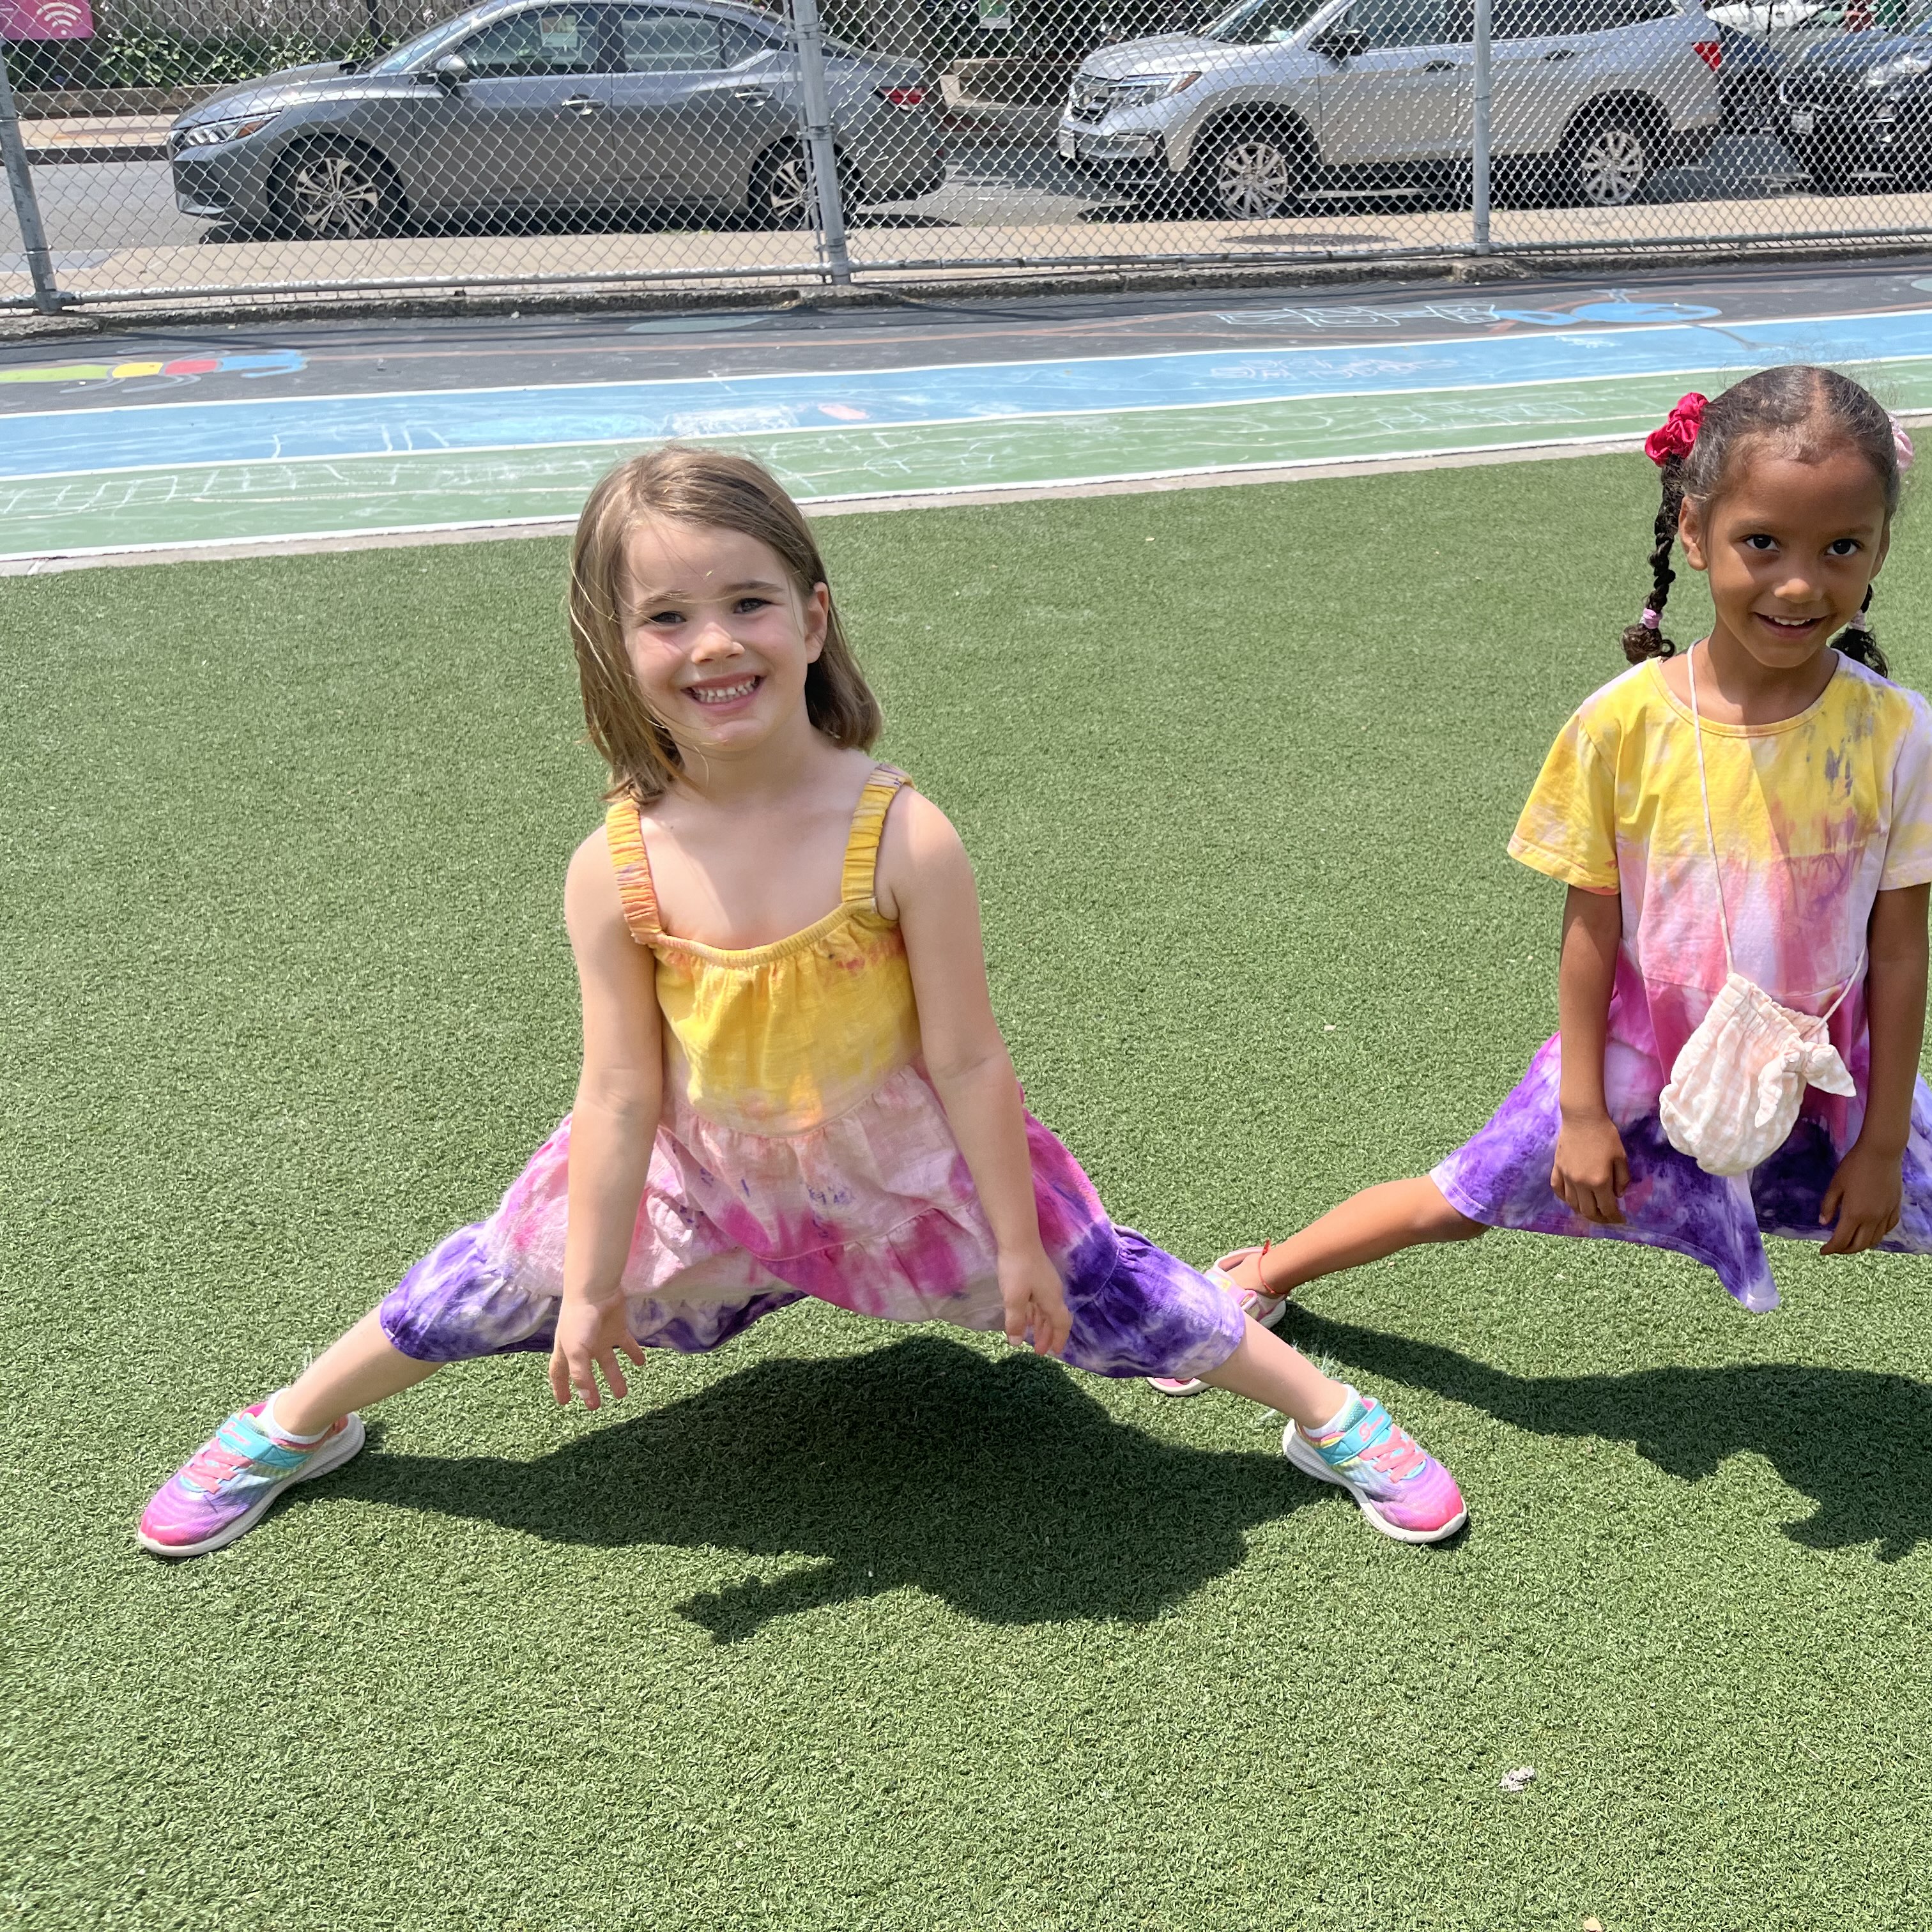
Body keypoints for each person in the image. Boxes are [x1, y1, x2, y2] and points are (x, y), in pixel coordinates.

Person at [1160, 365, 1932, 1589]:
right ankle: (1257, 1278)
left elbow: (1901, 949)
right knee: (1461, 1195)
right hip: (1641, 1065)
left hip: (1825, 1070)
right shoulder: (1620, 724)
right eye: (1761, 542)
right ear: (1692, 534)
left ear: (1882, 547)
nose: (1801, 581)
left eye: (1843, 545)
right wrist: (1581, 1109)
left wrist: (1885, 1140)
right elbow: (1590, 929)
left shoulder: (1896, 734)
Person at [138, 447, 1466, 1559]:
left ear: (813, 620)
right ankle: (299, 1422)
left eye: (749, 604)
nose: (713, 644)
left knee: (1098, 1287)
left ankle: (1325, 1413)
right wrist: (591, 1285)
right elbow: (615, 1095)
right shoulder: (612, 866)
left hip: (905, 1184)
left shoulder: (902, 835)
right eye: (666, 619)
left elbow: (967, 1060)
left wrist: (1014, 1241)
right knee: (476, 1285)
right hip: (703, 1185)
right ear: (616, 645)